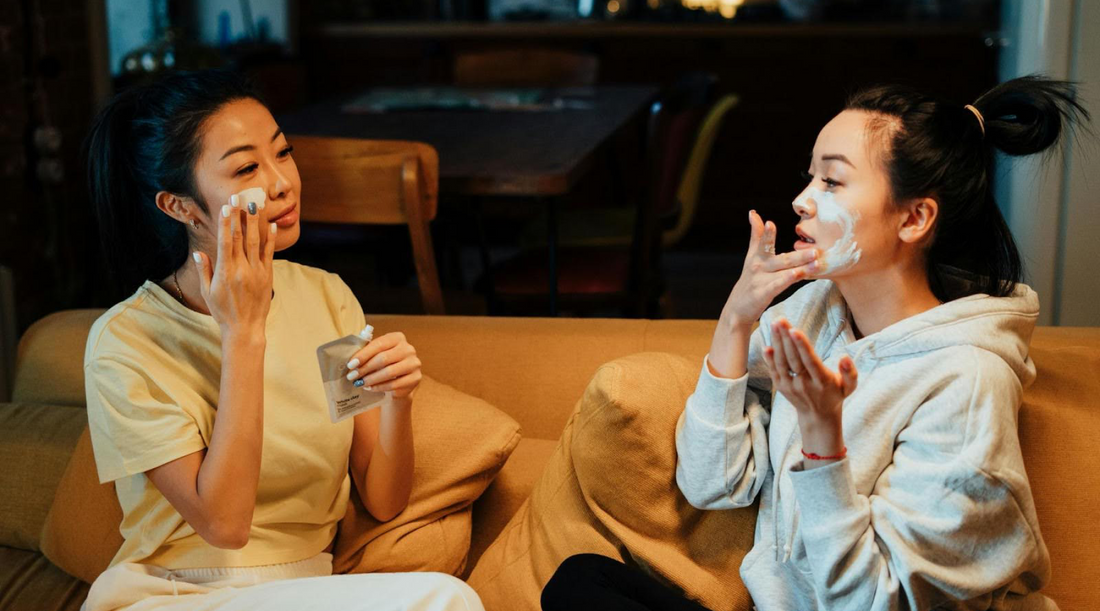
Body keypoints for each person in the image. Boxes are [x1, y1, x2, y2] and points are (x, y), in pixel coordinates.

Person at [542, 76, 1088, 611]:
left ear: (915, 217)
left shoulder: (966, 382)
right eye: (810, 178)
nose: (802, 200)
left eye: (832, 182)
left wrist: (823, 441)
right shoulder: (815, 311)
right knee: (581, 582)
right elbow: (711, 485)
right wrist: (736, 319)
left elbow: (874, 601)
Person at [80, 69, 483, 611]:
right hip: (174, 594)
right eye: (247, 167)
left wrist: (398, 401)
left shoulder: (326, 298)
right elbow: (224, 523)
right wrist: (241, 332)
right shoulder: (124, 341)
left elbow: (383, 499)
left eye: (283, 153)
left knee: (444, 598)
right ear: (181, 206)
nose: (282, 182)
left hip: (308, 589)